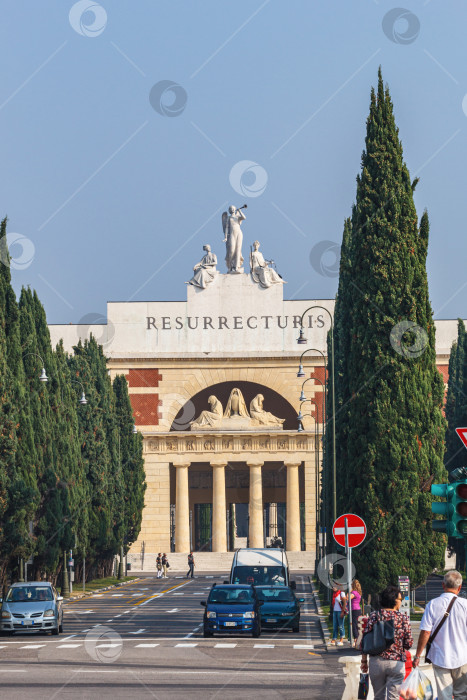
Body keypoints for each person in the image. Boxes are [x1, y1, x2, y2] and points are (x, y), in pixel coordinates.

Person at [413, 570, 467, 700]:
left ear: (443, 585)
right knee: (462, 694)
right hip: (463, 657)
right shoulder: (465, 605)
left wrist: (417, 655)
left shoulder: (432, 604)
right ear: (459, 587)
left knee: (444, 695)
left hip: (440, 657)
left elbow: (426, 632)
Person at [361, 585, 413, 700]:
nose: (401, 602)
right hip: (396, 663)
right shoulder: (403, 618)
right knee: (393, 697)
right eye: (400, 599)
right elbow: (408, 643)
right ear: (394, 600)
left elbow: (365, 640)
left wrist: (364, 661)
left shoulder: (374, 616)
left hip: (376, 662)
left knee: (378, 696)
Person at [222, 205, 246, 273]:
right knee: (231, 251)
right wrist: (226, 237)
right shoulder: (228, 218)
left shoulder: (238, 217)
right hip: (232, 234)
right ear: (229, 211)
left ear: (235, 209)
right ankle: (230, 267)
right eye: (231, 209)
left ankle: (236, 267)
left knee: (238, 250)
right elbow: (226, 228)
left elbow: (244, 217)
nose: (232, 209)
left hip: (239, 233)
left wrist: (240, 211)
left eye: (233, 208)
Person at [350, 579, 363, 646]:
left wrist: (349, 592)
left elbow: (348, 598)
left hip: (354, 609)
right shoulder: (358, 592)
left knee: (354, 625)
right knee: (358, 625)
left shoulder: (354, 592)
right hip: (358, 609)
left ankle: (355, 640)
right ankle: (358, 639)